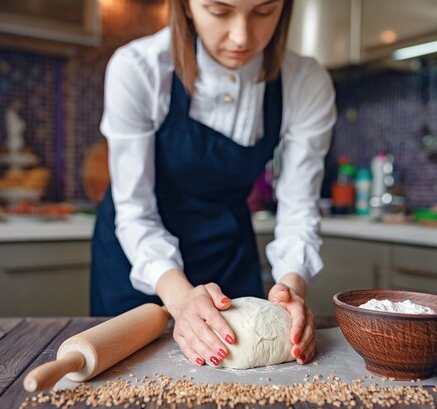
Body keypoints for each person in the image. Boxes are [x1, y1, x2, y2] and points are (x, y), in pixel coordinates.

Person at [91, 0, 336, 368]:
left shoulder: (305, 81)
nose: (241, 36)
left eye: (264, 12)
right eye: (219, 11)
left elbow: (299, 209)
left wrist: (291, 289)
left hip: (227, 248)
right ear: (186, 7)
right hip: (139, 259)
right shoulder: (138, 69)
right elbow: (135, 210)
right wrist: (179, 298)